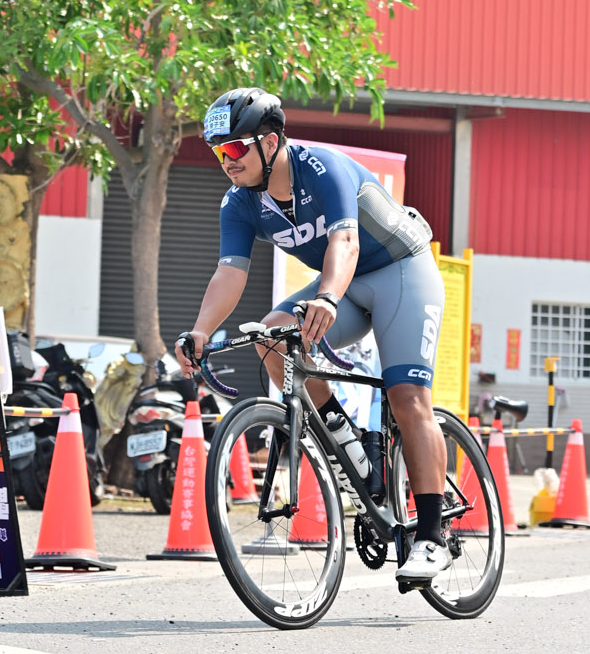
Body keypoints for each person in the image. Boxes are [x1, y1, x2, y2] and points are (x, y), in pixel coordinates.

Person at [178, 86, 452, 586]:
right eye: (219, 152)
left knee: (408, 398)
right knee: (270, 335)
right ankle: (348, 442)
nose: (227, 161)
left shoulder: (322, 168)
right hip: (344, 284)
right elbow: (230, 272)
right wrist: (200, 331)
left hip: (400, 271)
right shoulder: (239, 202)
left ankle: (432, 536)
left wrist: (326, 297)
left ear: (271, 142)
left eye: (235, 148)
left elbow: (345, 240)